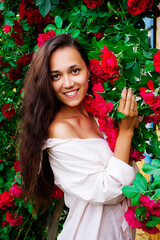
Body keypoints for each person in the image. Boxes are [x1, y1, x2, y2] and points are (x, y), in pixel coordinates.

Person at [20, 34, 139, 240]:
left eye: (75, 71)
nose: (67, 83)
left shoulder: (98, 114)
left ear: (88, 70)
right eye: (55, 76)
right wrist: (126, 133)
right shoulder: (58, 131)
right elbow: (109, 191)